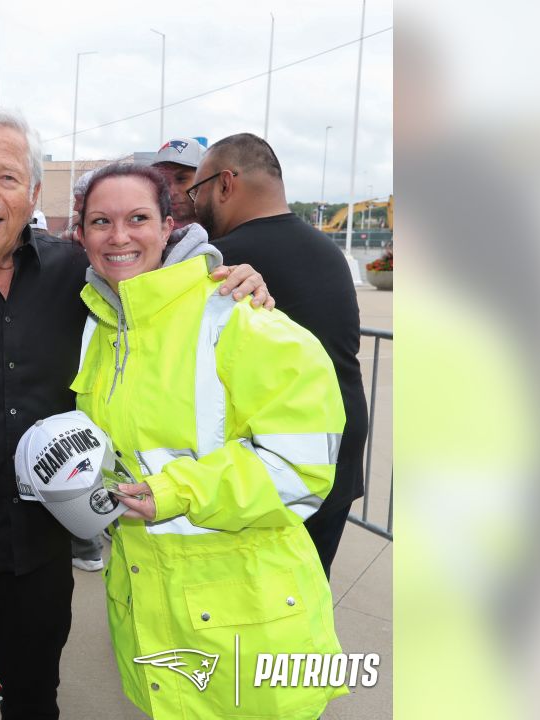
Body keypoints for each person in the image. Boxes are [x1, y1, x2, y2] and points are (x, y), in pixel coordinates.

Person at [0, 108, 271, 719]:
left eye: (8, 178)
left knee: (37, 700)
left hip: (41, 549)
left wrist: (236, 279)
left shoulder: (78, 277)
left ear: (33, 193)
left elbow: (162, 295)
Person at [70, 162, 347, 718]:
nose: (119, 236)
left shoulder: (239, 315)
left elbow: (302, 470)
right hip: (157, 609)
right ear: (80, 234)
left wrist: (173, 492)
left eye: (138, 218)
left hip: (248, 623)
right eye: (101, 221)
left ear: (170, 225)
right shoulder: (103, 326)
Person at [190, 133, 369, 577]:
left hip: (273, 470)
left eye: (198, 189)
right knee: (308, 596)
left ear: (225, 184)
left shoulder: (221, 264)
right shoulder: (331, 253)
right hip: (337, 454)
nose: (194, 202)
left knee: (252, 613)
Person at [151, 137, 209, 247]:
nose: (171, 192)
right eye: (164, 181)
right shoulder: (151, 238)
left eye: (181, 179)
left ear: (205, 178)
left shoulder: (227, 231)